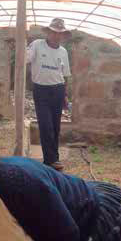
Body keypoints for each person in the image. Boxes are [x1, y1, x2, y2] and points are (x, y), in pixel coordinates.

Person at [27, 18, 71, 171]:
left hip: (57, 90)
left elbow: (64, 75)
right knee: (46, 126)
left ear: (63, 35)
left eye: (59, 33)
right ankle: (51, 160)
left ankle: (53, 159)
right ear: (48, 32)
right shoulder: (37, 45)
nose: (56, 36)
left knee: (55, 126)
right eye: (53, 32)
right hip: (41, 90)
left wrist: (65, 94)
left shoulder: (63, 52)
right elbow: (25, 59)